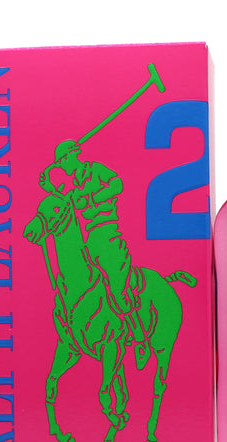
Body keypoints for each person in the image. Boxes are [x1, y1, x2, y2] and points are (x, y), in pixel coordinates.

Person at [41, 140, 150, 369]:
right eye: (59, 164)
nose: (62, 166)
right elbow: (63, 205)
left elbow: (118, 184)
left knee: (118, 292)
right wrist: (50, 188)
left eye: (63, 161)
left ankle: (140, 340)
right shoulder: (73, 187)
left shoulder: (95, 170)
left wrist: (91, 199)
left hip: (109, 236)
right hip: (89, 241)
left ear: (72, 156)